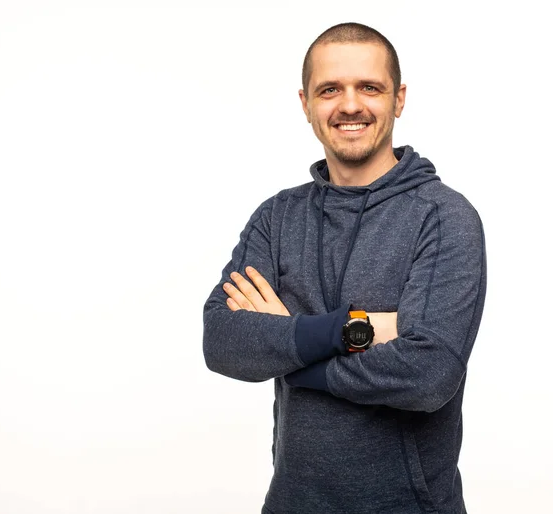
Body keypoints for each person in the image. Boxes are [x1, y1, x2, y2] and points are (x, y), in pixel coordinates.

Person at [203, 22, 486, 514]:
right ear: (306, 103)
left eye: (369, 88)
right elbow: (222, 340)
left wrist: (291, 347)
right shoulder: (278, 217)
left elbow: (429, 374)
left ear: (398, 99)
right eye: (330, 89)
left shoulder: (443, 217)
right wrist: (355, 329)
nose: (350, 105)